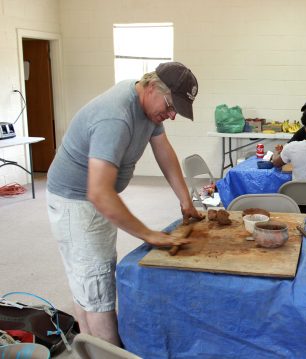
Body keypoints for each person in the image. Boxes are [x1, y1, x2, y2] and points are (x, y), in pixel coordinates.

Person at [46, 62, 203, 346]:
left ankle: (89, 348)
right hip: (77, 201)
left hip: (92, 196)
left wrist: (185, 201)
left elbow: (163, 150)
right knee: (98, 287)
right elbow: (99, 194)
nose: (171, 115)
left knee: (88, 280)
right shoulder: (115, 117)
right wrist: (148, 234)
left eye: (175, 111)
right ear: (152, 87)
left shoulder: (146, 102)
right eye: (170, 107)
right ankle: (109, 352)